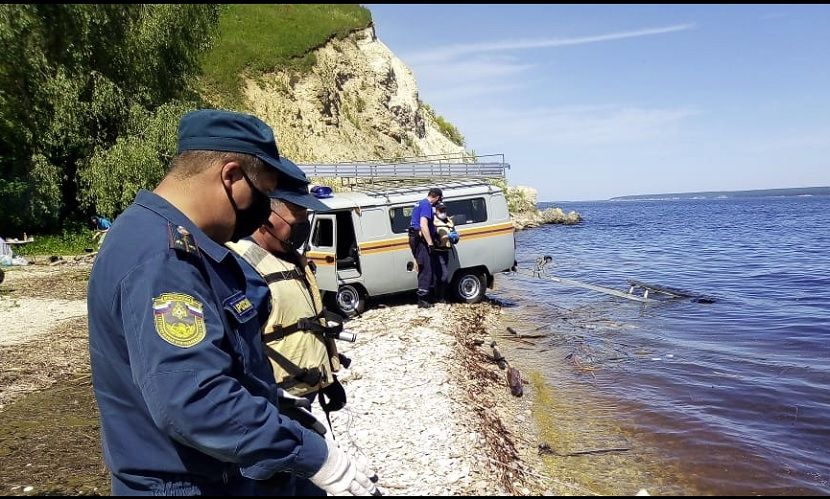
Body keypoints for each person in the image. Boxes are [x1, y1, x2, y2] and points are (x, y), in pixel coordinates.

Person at [87, 109, 378, 496]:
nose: (261, 211)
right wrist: (314, 457)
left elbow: (213, 360)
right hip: (186, 484)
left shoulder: (178, 242)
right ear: (231, 176)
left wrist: (271, 399)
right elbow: (193, 400)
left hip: (222, 471)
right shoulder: (164, 260)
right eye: (262, 195)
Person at [408, 187, 443, 308]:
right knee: (426, 269)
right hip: (421, 241)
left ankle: (427, 295)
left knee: (426, 267)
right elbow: (423, 225)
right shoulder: (427, 205)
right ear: (437, 197)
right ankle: (422, 300)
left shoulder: (419, 203)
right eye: (439, 199)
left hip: (415, 238)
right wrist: (430, 243)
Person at [431, 202, 459, 303]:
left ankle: (442, 297)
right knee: (440, 275)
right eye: (441, 210)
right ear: (436, 211)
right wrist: (442, 238)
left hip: (445, 251)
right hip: (436, 252)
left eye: (444, 210)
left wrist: (454, 237)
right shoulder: (433, 222)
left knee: (444, 275)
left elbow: (455, 235)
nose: (443, 212)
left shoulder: (449, 221)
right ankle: (438, 297)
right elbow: (432, 237)